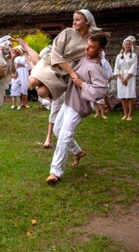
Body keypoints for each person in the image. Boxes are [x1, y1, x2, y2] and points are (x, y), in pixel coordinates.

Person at [46, 33, 109, 184]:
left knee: (63, 137)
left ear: (100, 50)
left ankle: (55, 172)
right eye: (87, 44)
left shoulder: (96, 68)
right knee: (57, 130)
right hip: (68, 101)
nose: (87, 48)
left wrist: (81, 84)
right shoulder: (84, 58)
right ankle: (78, 152)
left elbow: (102, 90)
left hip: (79, 106)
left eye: (91, 47)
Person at [29, 9, 101, 101]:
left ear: (87, 21)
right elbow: (56, 53)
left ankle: (43, 82)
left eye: (77, 20)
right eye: (73, 20)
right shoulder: (68, 32)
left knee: (41, 93)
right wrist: (72, 73)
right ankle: (35, 77)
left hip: (65, 73)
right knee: (32, 82)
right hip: (52, 64)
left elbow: (94, 56)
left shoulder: (92, 40)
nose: (74, 23)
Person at [113, 37, 138, 120]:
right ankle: (125, 114)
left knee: (130, 96)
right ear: (123, 45)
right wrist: (120, 78)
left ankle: (130, 115)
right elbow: (116, 68)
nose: (127, 45)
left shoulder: (134, 56)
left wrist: (126, 78)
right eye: (126, 44)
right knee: (123, 96)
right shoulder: (119, 56)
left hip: (129, 77)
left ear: (131, 45)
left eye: (129, 44)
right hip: (121, 77)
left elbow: (133, 68)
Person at [93, 52, 113, 119]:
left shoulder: (104, 62)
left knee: (101, 99)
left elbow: (109, 71)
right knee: (94, 98)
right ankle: (97, 112)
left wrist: (107, 79)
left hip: (102, 81)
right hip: (93, 81)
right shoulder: (92, 61)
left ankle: (102, 113)